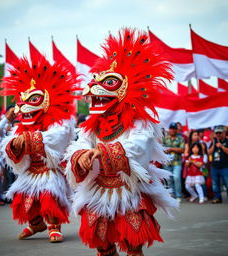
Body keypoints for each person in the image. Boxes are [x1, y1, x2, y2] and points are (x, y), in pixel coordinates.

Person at [65, 28, 178, 256]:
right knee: (101, 243)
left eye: (105, 91)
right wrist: (83, 155)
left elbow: (140, 146)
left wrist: (103, 151)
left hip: (130, 188)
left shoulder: (140, 122)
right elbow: (80, 143)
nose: (95, 97)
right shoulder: (93, 124)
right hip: (99, 187)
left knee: (134, 243)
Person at [0, 55, 79, 242]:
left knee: (48, 197)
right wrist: (14, 144)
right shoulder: (23, 125)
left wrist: (28, 140)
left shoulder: (60, 121)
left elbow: (58, 137)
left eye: (33, 100)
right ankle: (36, 224)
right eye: (23, 100)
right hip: (30, 170)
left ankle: (54, 227)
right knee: (21, 199)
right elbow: (10, 141)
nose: (25, 106)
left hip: (49, 169)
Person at [163, 122, 185, 202]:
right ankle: (171, 194)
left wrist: (171, 149)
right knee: (169, 178)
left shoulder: (180, 138)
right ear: (169, 129)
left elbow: (182, 150)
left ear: (176, 130)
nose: (172, 130)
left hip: (177, 162)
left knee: (176, 177)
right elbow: (162, 149)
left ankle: (178, 195)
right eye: (171, 128)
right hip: (167, 162)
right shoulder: (165, 139)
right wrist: (167, 150)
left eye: (174, 128)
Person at [208, 125, 228, 204]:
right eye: (217, 133)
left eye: (220, 132)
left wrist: (222, 146)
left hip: (225, 167)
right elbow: (209, 152)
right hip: (214, 166)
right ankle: (217, 198)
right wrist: (213, 143)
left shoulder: (227, 141)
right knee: (215, 184)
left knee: (227, 183)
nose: (218, 134)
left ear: (224, 133)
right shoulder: (214, 141)